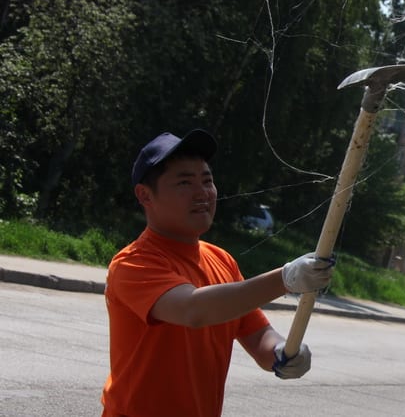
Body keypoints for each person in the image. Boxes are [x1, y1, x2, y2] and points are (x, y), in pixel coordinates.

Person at [101, 129, 335, 417]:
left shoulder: (221, 260)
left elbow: (257, 335)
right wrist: (285, 279)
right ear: (145, 195)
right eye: (185, 182)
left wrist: (282, 351)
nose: (202, 193)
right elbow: (193, 310)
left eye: (207, 180)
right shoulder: (133, 264)